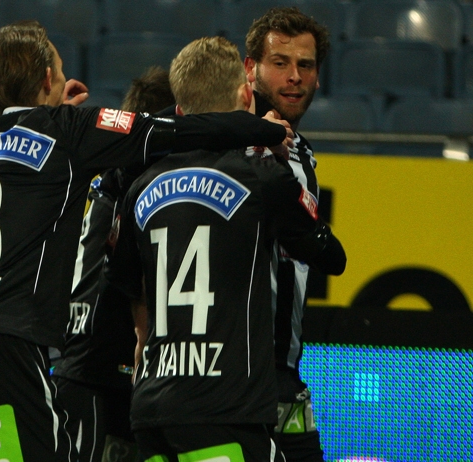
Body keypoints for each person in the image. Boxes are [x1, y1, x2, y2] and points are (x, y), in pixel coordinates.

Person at [0, 21, 294, 461]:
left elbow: (12, 175)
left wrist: (46, 114)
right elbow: (175, 131)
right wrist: (266, 131)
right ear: (49, 78)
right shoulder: (69, 130)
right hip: (3, 344)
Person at [106, 36, 345, 462]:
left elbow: (123, 276)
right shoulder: (260, 177)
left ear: (179, 111)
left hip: (151, 406)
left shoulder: (140, 187)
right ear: (243, 95)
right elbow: (331, 255)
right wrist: (277, 163)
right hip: (226, 402)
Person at [51, 67, 175, 462]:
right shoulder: (142, 181)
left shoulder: (107, 174)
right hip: (101, 368)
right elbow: (125, 272)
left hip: (82, 359)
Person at [244, 7, 332, 461]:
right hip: (234, 377)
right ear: (251, 69)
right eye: (280, 63)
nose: (294, 76)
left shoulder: (304, 154)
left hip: (286, 378)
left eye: (306, 65)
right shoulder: (228, 144)